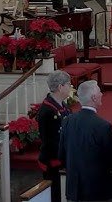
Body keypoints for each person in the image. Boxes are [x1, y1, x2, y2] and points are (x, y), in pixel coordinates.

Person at [59, 80, 112, 202]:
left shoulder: (67, 121)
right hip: (97, 191)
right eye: (100, 91)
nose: (102, 94)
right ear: (94, 97)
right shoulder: (103, 126)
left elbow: (62, 154)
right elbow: (111, 160)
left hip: (74, 190)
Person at [36, 71, 72, 202]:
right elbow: (50, 140)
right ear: (60, 87)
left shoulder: (62, 105)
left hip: (62, 158)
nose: (71, 87)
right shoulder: (48, 110)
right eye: (69, 84)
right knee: (56, 195)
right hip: (54, 161)